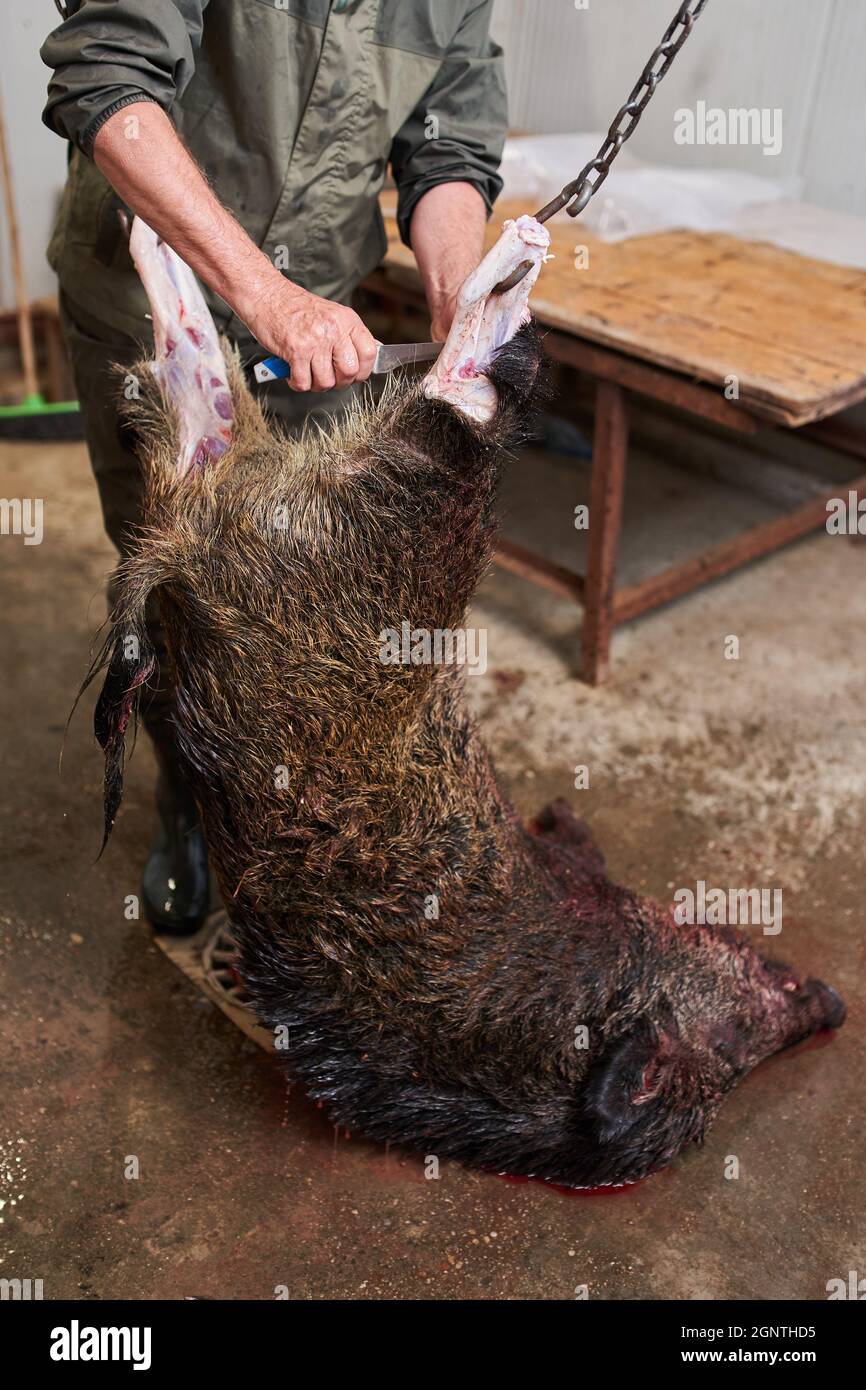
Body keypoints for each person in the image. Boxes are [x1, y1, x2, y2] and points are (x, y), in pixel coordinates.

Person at [41, 0, 506, 934]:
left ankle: (277, 810)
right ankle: (187, 802)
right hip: (152, 305)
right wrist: (265, 295)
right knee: (179, 591)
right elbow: (107, 77)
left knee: (307, 597)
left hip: (319, 326)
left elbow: (449, 145)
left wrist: (459, 296)